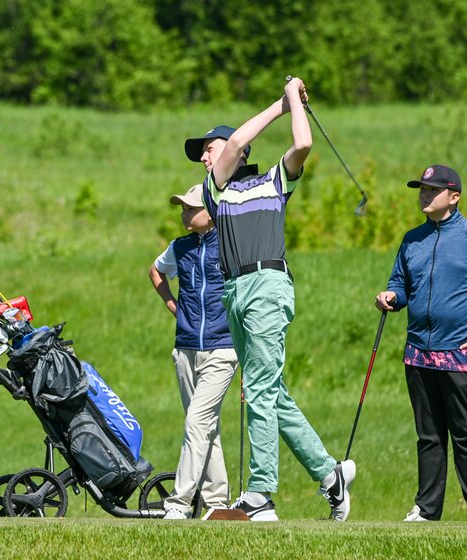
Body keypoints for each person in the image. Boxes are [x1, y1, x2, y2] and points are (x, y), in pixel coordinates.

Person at [183, 77, 355, 522]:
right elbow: (237, 139)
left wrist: (292, 103)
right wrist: (281, 103)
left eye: (207, 148)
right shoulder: (215, 191)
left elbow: (303, 142)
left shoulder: (274, 181)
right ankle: (329, 474)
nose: (203, 156)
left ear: (231, 153)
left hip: (267, 286)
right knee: (271, 393)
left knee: (258, 388)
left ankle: (260, 493)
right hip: (234, 291)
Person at [375, 164, 467, 523]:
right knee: (428, 436)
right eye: (421, 190)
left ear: (454, 196)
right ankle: (427, 510)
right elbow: (401, 284)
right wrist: (392, 297)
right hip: (418, 354)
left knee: (465, 433)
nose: (424, 195)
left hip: (460, 355)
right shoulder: (412, 239)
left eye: (432, 190)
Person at [149, 184, 239, 520]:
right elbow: (155, 271)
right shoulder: (181, 247)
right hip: (186, 348)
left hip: (222, 349)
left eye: (190, 208)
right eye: (182, 208)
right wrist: (172, 304)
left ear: (211, 211)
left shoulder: (231, 244)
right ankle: (217, 503)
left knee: (196, 422)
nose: (184, 214)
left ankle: (179, 503)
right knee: (205, 427)